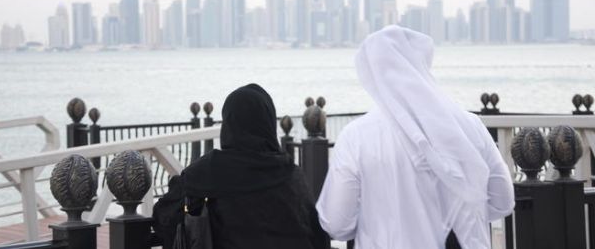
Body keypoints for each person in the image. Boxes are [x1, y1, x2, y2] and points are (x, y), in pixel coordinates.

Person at [316, 26, 515, 249]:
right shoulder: (470, 125)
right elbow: (502, 201)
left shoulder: (356, 137)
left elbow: (337, 224)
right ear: (422, 64)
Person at [153, 84, 329, 249]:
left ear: (228, 122)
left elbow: (164, 216)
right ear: (268, 122)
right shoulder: (290, 173)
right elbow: (317, 234)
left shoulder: (208, 171)